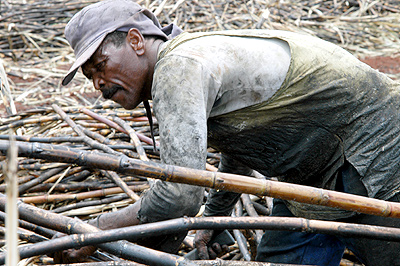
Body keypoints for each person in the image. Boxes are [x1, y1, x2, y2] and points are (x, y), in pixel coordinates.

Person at [59, 0, 400, 265]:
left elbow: (180, 193)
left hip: (371, 152)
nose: (99, 83)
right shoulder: (190, 61)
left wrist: (96, 231)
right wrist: (214, 222)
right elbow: (242, 145)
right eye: (90, 76)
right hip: (311, 171)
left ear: (135, 41)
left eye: (100, 66)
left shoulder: (179, 67)